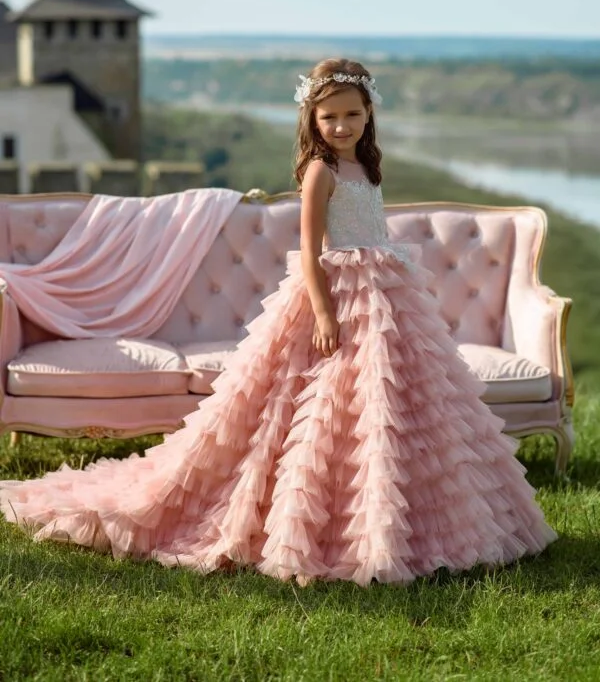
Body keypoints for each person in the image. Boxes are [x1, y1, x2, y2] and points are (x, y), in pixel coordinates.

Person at [0, 58, 556, 586]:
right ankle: (321, 526)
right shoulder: (320, 172)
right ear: (312, 119)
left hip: (385, 293)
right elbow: (310, 249)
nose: (342, 125)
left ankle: (401, 521)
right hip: (335, 295)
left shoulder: (366, 165)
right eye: (330, 115)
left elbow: (372, 231)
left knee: (391, 407)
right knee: (322, 408)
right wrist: (322, 310)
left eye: (353, 114)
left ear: (369, 116)